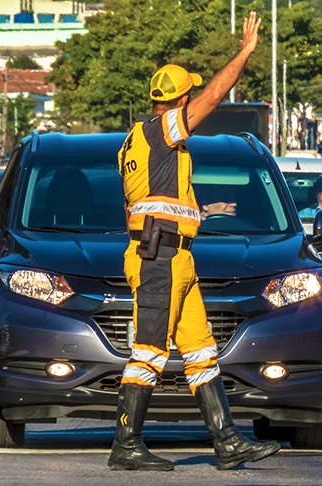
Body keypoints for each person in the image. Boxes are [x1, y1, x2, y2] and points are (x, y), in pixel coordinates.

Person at [111, 12, 279, 472]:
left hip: (170, 254)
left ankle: (226, 443)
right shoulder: (162, 130)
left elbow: (146, 203)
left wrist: (198, 215)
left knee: (201, 350)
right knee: (148, 351)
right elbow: (212, 97)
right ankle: (126, 443)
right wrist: (244, 53)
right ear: (179, 99)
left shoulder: (137, 142)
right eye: (189, 97)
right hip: (158, 256)